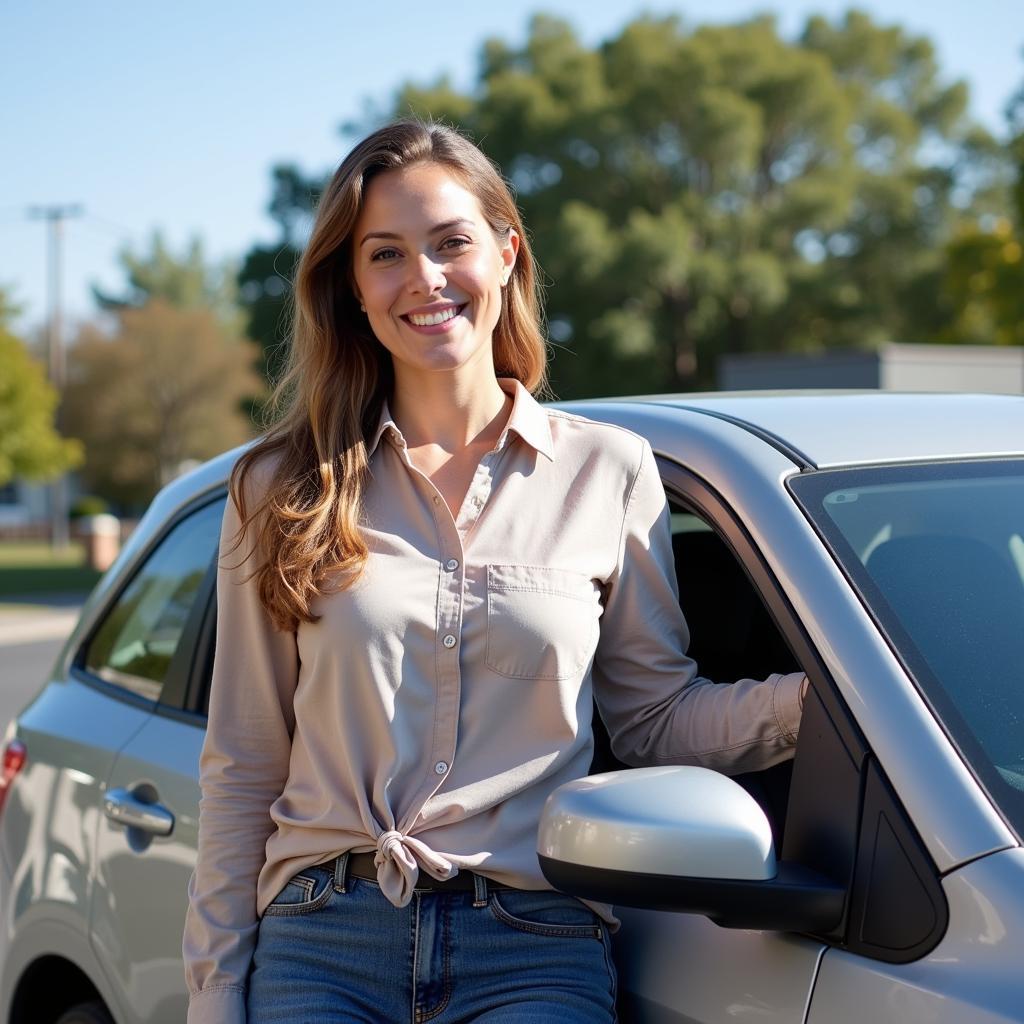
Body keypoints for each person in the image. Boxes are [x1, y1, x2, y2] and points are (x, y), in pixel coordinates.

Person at [182, 119, 808, 1024]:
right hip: (322, 943)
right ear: (353, 288)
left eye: (451, 243)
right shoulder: (283, 487)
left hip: (533, 950)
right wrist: (214, 991)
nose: (425, 279)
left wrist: (836, 702)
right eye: (386, 254)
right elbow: (244, 764)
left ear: (507, 253)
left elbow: (656, 722)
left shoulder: (612, 471)